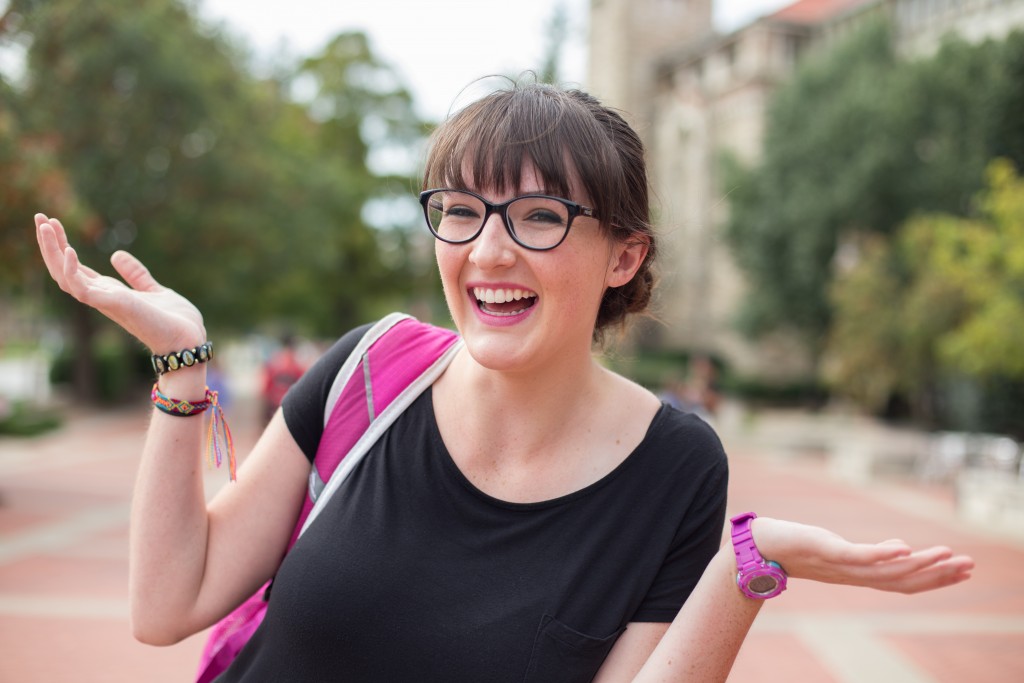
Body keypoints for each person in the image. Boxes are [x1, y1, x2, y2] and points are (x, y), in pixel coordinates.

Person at [33, 81, 973, 682]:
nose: (487, 250)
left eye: (537, 215)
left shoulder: (675, 468)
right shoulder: (372, 368)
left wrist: (748, 562)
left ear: (623, 255)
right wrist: (182, 367)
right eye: (460, 211)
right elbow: (166, 603)